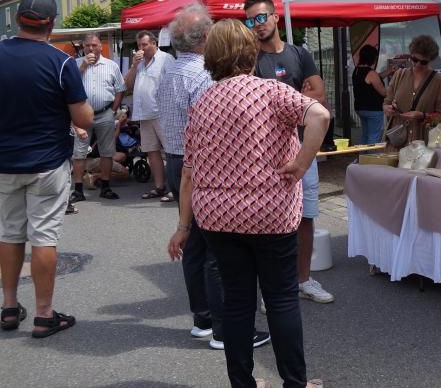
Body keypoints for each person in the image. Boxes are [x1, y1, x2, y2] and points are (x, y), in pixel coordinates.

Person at [167, 19, 328, 388]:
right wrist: (302, 163)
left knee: (238, 304)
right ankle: (295, 383)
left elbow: (189, 173)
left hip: (218, 218)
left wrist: (182, 227)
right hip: (272, 214)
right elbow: (319, 115)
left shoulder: (203, 101)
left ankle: (243, 383)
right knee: (282, 299)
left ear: (211, 56)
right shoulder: (271, 91)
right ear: (249, 52)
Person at [0, 0, 92, 337]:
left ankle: (9, 307)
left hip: (4, 163)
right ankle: (43, 314)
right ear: (51, 25)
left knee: (9, 234)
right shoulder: (62, 62)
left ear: (17, 20)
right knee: (43, 237)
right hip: (46, 163)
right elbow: (82, 115)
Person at [244, 0, 334, 306]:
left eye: (260, 17)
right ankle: (274, 289)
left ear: (275, 17)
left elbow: (319, 93)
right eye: (250, 20)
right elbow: (257, 107)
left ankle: (303, 279)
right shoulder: (250, 60)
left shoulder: (299, 53)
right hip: (269, 153)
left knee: (306, 217)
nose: (256, 25)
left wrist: (286, 104)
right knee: (269, 221)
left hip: (304, 147)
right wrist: (297, 99)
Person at [70, 33, 126, 201]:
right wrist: (82, 68)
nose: (91, 48)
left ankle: (106, 186)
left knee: (107, 152)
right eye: (88, 45)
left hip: (104, 113)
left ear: (101, 46)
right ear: (83, 47)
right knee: (79, 153)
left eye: (94, 45)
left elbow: (120, 89)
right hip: (82, 114)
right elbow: (68, 87)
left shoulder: (111, 65)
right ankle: (78, 190)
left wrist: (113, 110)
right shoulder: (75, 64)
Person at [124, 30, 173, 200]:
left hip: (162, 113)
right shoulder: (140, 63)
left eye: (144, 44)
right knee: (152, 152)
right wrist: (133, 66)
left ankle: (175, 188)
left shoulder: (166, 59)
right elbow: (127, 85)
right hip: (144, 114)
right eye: (139, 45)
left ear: (154, 43)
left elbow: (173, 84)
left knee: (171, 152)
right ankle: (159, 186)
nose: (141, 48)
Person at [383, 35, 441, 146]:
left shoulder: (439, 81)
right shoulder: (399, 75)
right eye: (414, 59)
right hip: (397, 141)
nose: (418, 64)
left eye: (423, 62)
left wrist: (423, 116)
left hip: (423, 144)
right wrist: (388, 109)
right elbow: (386, 103)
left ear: (430, 60)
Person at [353, 45, 390, 145]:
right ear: (372, 58)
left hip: (360, 108)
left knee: (365, 135)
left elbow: (374, 78)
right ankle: (370, 159)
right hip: (373, 109)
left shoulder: (357, 70)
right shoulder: (371, 73)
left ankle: (362, 158)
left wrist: (389, 71)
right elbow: (383, 92)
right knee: (374, 137)